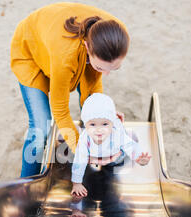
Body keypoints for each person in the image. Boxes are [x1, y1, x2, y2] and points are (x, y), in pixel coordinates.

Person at [10, 3, 130, 177]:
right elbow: (60, 110)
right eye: (100, 67)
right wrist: (80, 150)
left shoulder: (117, 34)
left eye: (114, 68)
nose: (106, 74)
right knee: (41, 128)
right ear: (87, 47)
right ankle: (25, 184)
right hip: (31, 50)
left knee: (91, 101)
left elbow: (93, 84)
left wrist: (104, 113)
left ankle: (93, 143)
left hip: (58, 43)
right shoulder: (65, 57)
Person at [71, 93, 151, 196]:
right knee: (78, 156)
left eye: (104, 124)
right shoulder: (85, 139)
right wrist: (76, 183)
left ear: (112, 123)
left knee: (127, 145)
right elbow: (79, 161)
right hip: (94, 157)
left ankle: (129, 134)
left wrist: (139, 158)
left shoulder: (116, 133)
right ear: (85, 125)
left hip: (116, 155)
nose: (99, 129)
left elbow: (129, 145)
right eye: (92, 124)